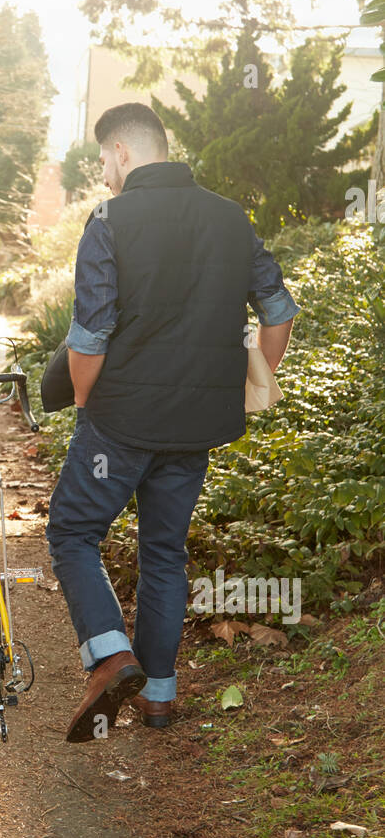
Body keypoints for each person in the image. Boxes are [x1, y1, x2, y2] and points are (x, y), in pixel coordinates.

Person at [46, 103, 300, 741]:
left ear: (124, 153)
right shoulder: (229, 217)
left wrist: (82, 401)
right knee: (165, 552)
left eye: (104, 159)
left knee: (74, 532)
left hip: (119, 420)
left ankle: (109, 656)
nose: (103, 173)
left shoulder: (109, 219)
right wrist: (250, 389)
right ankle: (158, 696)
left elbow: (90, 335)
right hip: (197, 426)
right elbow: (279, 312)